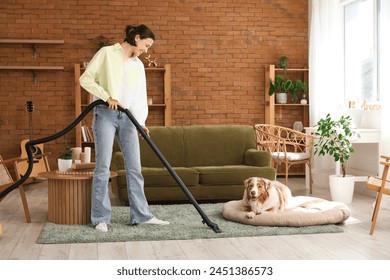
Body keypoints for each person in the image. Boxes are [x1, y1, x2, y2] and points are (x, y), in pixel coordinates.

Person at [80, 24, 169, 232]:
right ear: (136, 38)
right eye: (146, 45)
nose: (146, 50)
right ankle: (100, 218)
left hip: (129, 118)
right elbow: (85, 79)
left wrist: (141, 122)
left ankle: (141, 215)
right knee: (103, 167)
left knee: (134, 168)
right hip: (105, 114)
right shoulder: (106, 53)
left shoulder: (138, 65)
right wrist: (106, 97)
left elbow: (138, 96)